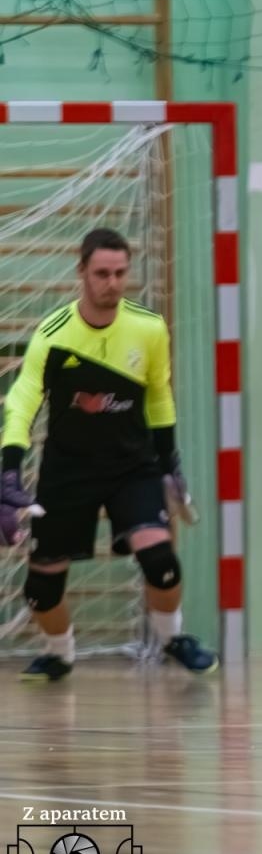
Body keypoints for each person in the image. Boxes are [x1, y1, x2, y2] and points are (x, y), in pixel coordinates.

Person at [1, 228, 216, 681]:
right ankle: (61, 654)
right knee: (40, 589)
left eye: (120, 273)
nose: (113, 283)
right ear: (81, 272)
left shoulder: (148, 328)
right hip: (68, 471)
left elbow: (158, 394)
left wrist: (168, 460)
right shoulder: (53, 335)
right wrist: (9, 473)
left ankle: (173, 638)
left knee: (160, 560)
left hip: (131, 467)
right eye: (102, 273)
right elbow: (22, 400)